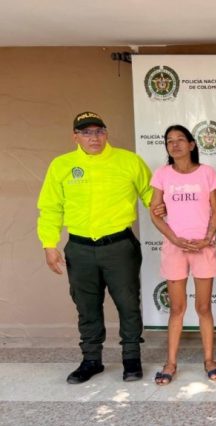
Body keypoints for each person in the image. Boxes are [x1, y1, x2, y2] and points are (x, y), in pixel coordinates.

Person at [37, 111, 152, 384]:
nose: (94, 138)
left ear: (106, 133)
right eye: (86, 132)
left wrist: (176, 214)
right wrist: (48, 244)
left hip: (119, 245)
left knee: (127, 303)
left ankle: (132, 359)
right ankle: (91, 360)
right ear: (75, 136)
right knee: (86, 305)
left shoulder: (129, 161)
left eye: (99, 131)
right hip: (79, 247)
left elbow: (151, 194)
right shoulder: (61, 165)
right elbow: (50, 208)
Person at [149, 125, 216, 385]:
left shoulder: (207, 173)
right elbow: (154, 211)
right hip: (174, 248)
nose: (175, 144)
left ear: (192, 145)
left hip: (203, 247)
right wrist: (175, 238)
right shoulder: (162, 174)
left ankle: (209, 360)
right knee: (177, 309)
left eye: (181, 140)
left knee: (203, 307)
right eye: (170, 141)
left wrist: (207, 239)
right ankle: (170, 363)